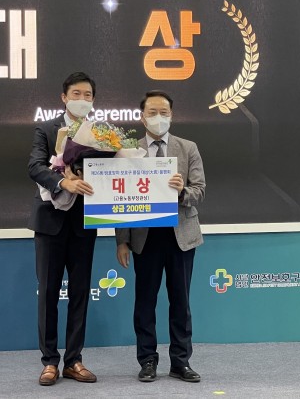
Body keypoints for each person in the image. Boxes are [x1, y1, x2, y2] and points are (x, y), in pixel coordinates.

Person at [115, 90, 206, 383]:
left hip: (181, 236)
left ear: (172, 116)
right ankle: (147, 361)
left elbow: (199, 191)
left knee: (181, 301)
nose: (158, 118)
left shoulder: (188, 148)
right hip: (146, 238)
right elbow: (121, 200)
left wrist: (181, 191)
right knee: (145, 302)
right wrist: (122, 240)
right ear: (142, 117)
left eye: (164, 112)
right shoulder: (128, 151)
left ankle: (180, 362)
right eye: (152, 112)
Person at [28, 72, 98, 386]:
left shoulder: (100, 133)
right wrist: (62, 182)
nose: (82, 99)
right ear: (64, 97)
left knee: (80, 293)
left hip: (84, 223)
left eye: (87, 95)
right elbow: (35, 167)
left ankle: (73, 360)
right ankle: (49, 361)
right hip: (50, 224)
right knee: (48, 294)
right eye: (76, 94)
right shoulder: (46, 129)